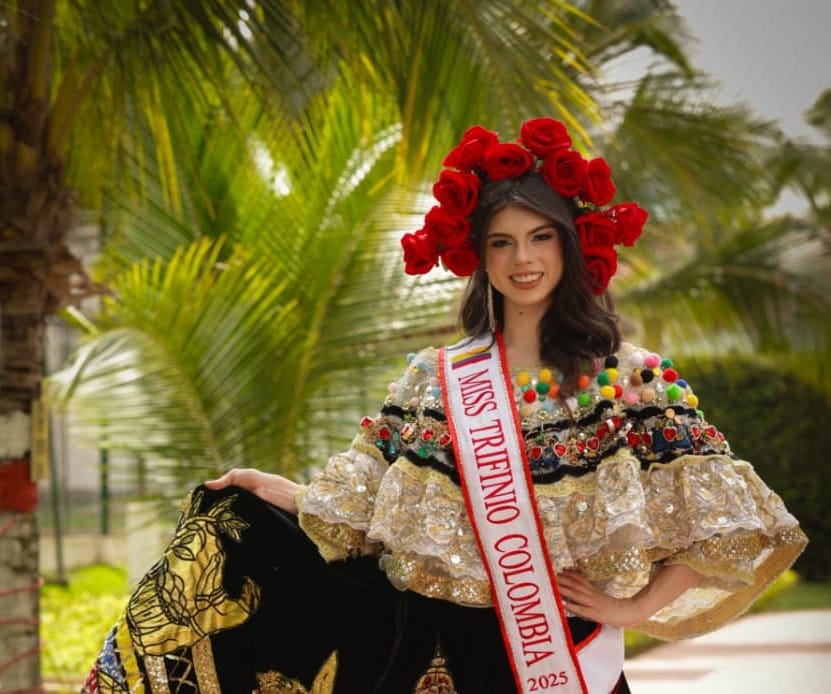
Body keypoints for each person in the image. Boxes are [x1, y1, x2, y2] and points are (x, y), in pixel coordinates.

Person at [82, 118, 807, 694]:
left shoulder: (631, 380)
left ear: (570, 243)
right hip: (437, 661)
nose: (522, 259)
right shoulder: (435, 380)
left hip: (570, 654)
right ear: (478, 254)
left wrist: (631, 608)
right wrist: (265, 489)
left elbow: (733, 524)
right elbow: (364, 512)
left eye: (539, 237)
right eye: (502, 242)